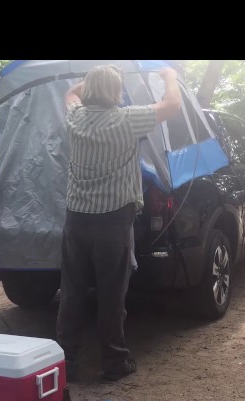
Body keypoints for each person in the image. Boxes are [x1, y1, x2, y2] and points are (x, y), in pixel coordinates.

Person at [56, 64, 182, 382]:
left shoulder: (75, 118)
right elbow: (172, 105)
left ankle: (66, 362)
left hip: (76, 218)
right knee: (111, 294)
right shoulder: (128, 119)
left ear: (92, 89)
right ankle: (113, 362)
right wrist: (169, 77)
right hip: (113, 221)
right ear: (116, 91)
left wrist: (91, 80)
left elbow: (70, 94)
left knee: (72, 292)